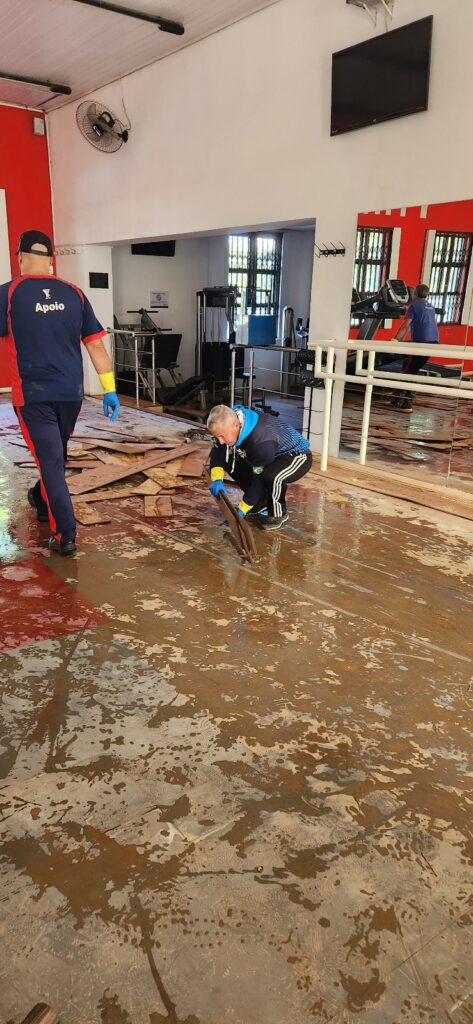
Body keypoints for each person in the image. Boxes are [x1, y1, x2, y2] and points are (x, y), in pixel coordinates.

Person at [0, 229, 120, 555]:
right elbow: (96, 346)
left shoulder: (8, 293)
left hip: (32, 395)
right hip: (71, 394)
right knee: (54, 455)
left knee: (51, 461)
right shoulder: (74, 293)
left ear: (21, 257)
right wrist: (109, 390)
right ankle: (41, 500)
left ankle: (64, 534)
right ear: (51, 258)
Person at [207, 404, 312, 531]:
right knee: (229, 458)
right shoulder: (231, 419)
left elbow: (258, 480)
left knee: (270, 475)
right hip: (271, 453)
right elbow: (219, 447)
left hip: (297, 455)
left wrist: (242, 509)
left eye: (222, 436)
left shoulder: (261, 441)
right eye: (217, 436)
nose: (221, 441)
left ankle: (278, 514)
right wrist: (217, 478)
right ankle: (260, 503)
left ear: (236, 426)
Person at [391, 283, 439, 413]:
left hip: (421, 344)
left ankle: (406, 403)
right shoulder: (431, 306)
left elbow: (405, 326)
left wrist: (394, 341)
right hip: (433, 342)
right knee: (411, 368)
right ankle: (396, 397)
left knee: (409, 370)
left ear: (415, 293)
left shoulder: (413, 306)